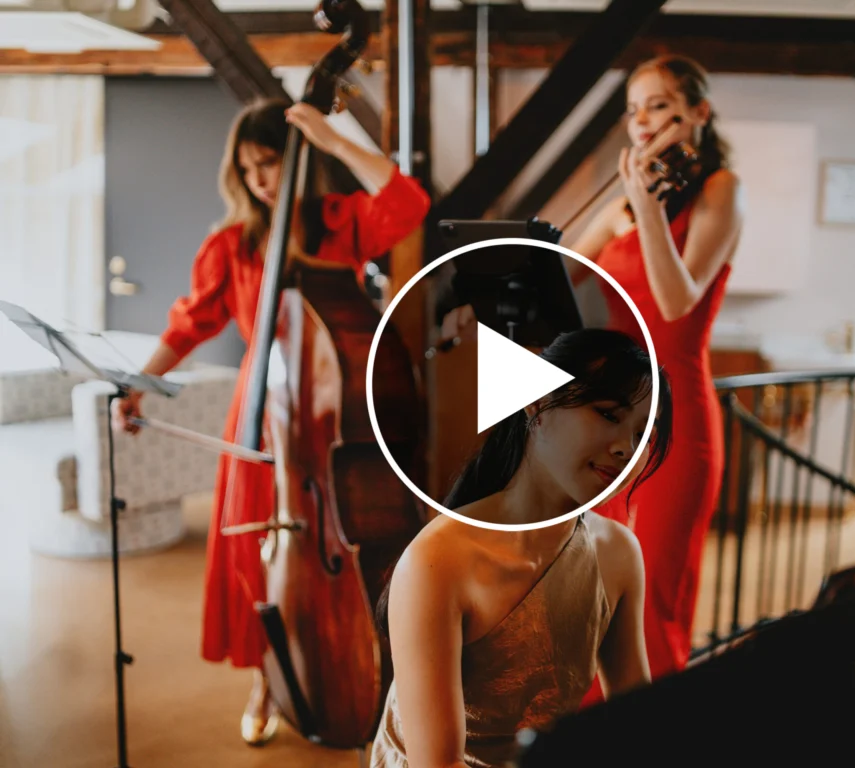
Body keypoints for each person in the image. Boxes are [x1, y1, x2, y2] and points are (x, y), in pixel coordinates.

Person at [111, 98, 431, 745]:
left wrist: (335, 142)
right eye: (250, 167)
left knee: (326, 550)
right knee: (262, 556)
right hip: (263, 412)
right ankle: (269, 677)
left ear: (296, 161)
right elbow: (189, 323)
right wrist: (141, 385)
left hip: (325, 409)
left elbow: (407, 204)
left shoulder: (338, 224)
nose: (261, 179)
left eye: (272, 163)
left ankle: (351, 668)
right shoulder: (232, 243)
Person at [441, 55, 743, 686]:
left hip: (675, 414)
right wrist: (484, 299)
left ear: (699, 113)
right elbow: (553, 282)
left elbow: (676, 300)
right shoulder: (622, 209)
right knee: (593, 580)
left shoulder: (719, 189)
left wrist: (648, 210)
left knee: (653, 591)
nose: (642, 121)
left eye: (659, 104)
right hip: (609, 412)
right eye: (633, 109)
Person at [369, 328, 672, 768]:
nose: (627, 447)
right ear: (536, 403)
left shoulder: (618, 553)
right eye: (608, 414)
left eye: (644, 434)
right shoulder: (437, 561)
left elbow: (635, 729)